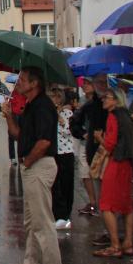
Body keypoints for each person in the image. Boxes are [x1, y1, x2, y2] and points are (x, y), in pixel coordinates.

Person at [3, 66, 61, 264]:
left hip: (38, 165)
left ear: (34, 83)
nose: (18, 82)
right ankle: (32, 262)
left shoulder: (43, 106)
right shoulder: (30, 105)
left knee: (42, 223)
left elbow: (44, 141)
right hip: (31, 165)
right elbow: (19, 135)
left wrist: (27, 162)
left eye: (22, 79)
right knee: (32, 222)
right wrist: (9, 115)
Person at [93, 89, 133, 258]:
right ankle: (128, 243)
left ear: (116, 100)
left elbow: (110, 144)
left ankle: (114, 245)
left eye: (107, 98)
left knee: (106, 204)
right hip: (127, 163)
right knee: (126, 205)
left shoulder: (113, 116)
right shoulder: (125, 115)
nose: (104, 100)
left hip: (116, 162)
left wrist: (99, 138)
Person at [71, 75, 106, 216]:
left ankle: (101, 203)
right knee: (84, 174)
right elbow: (76, 122)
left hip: (98, 143)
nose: (84, 86)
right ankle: (93, 202)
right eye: (83, 83)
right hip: (85, 142)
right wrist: (82, 133)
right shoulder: (83, 101)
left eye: (87, 83)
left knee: (98, 175)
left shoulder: (100, 102)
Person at [49, 87, 75, 231]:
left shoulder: (67, 113)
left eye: (55, 97)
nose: (53, 99)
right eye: (52, 96)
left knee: (66, 185)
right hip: (54, 152)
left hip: (66, 153)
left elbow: (68, 132)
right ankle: (57, 213)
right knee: (55, 184)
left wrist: (61, 120)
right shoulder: (50, 114)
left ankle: (65, 216)